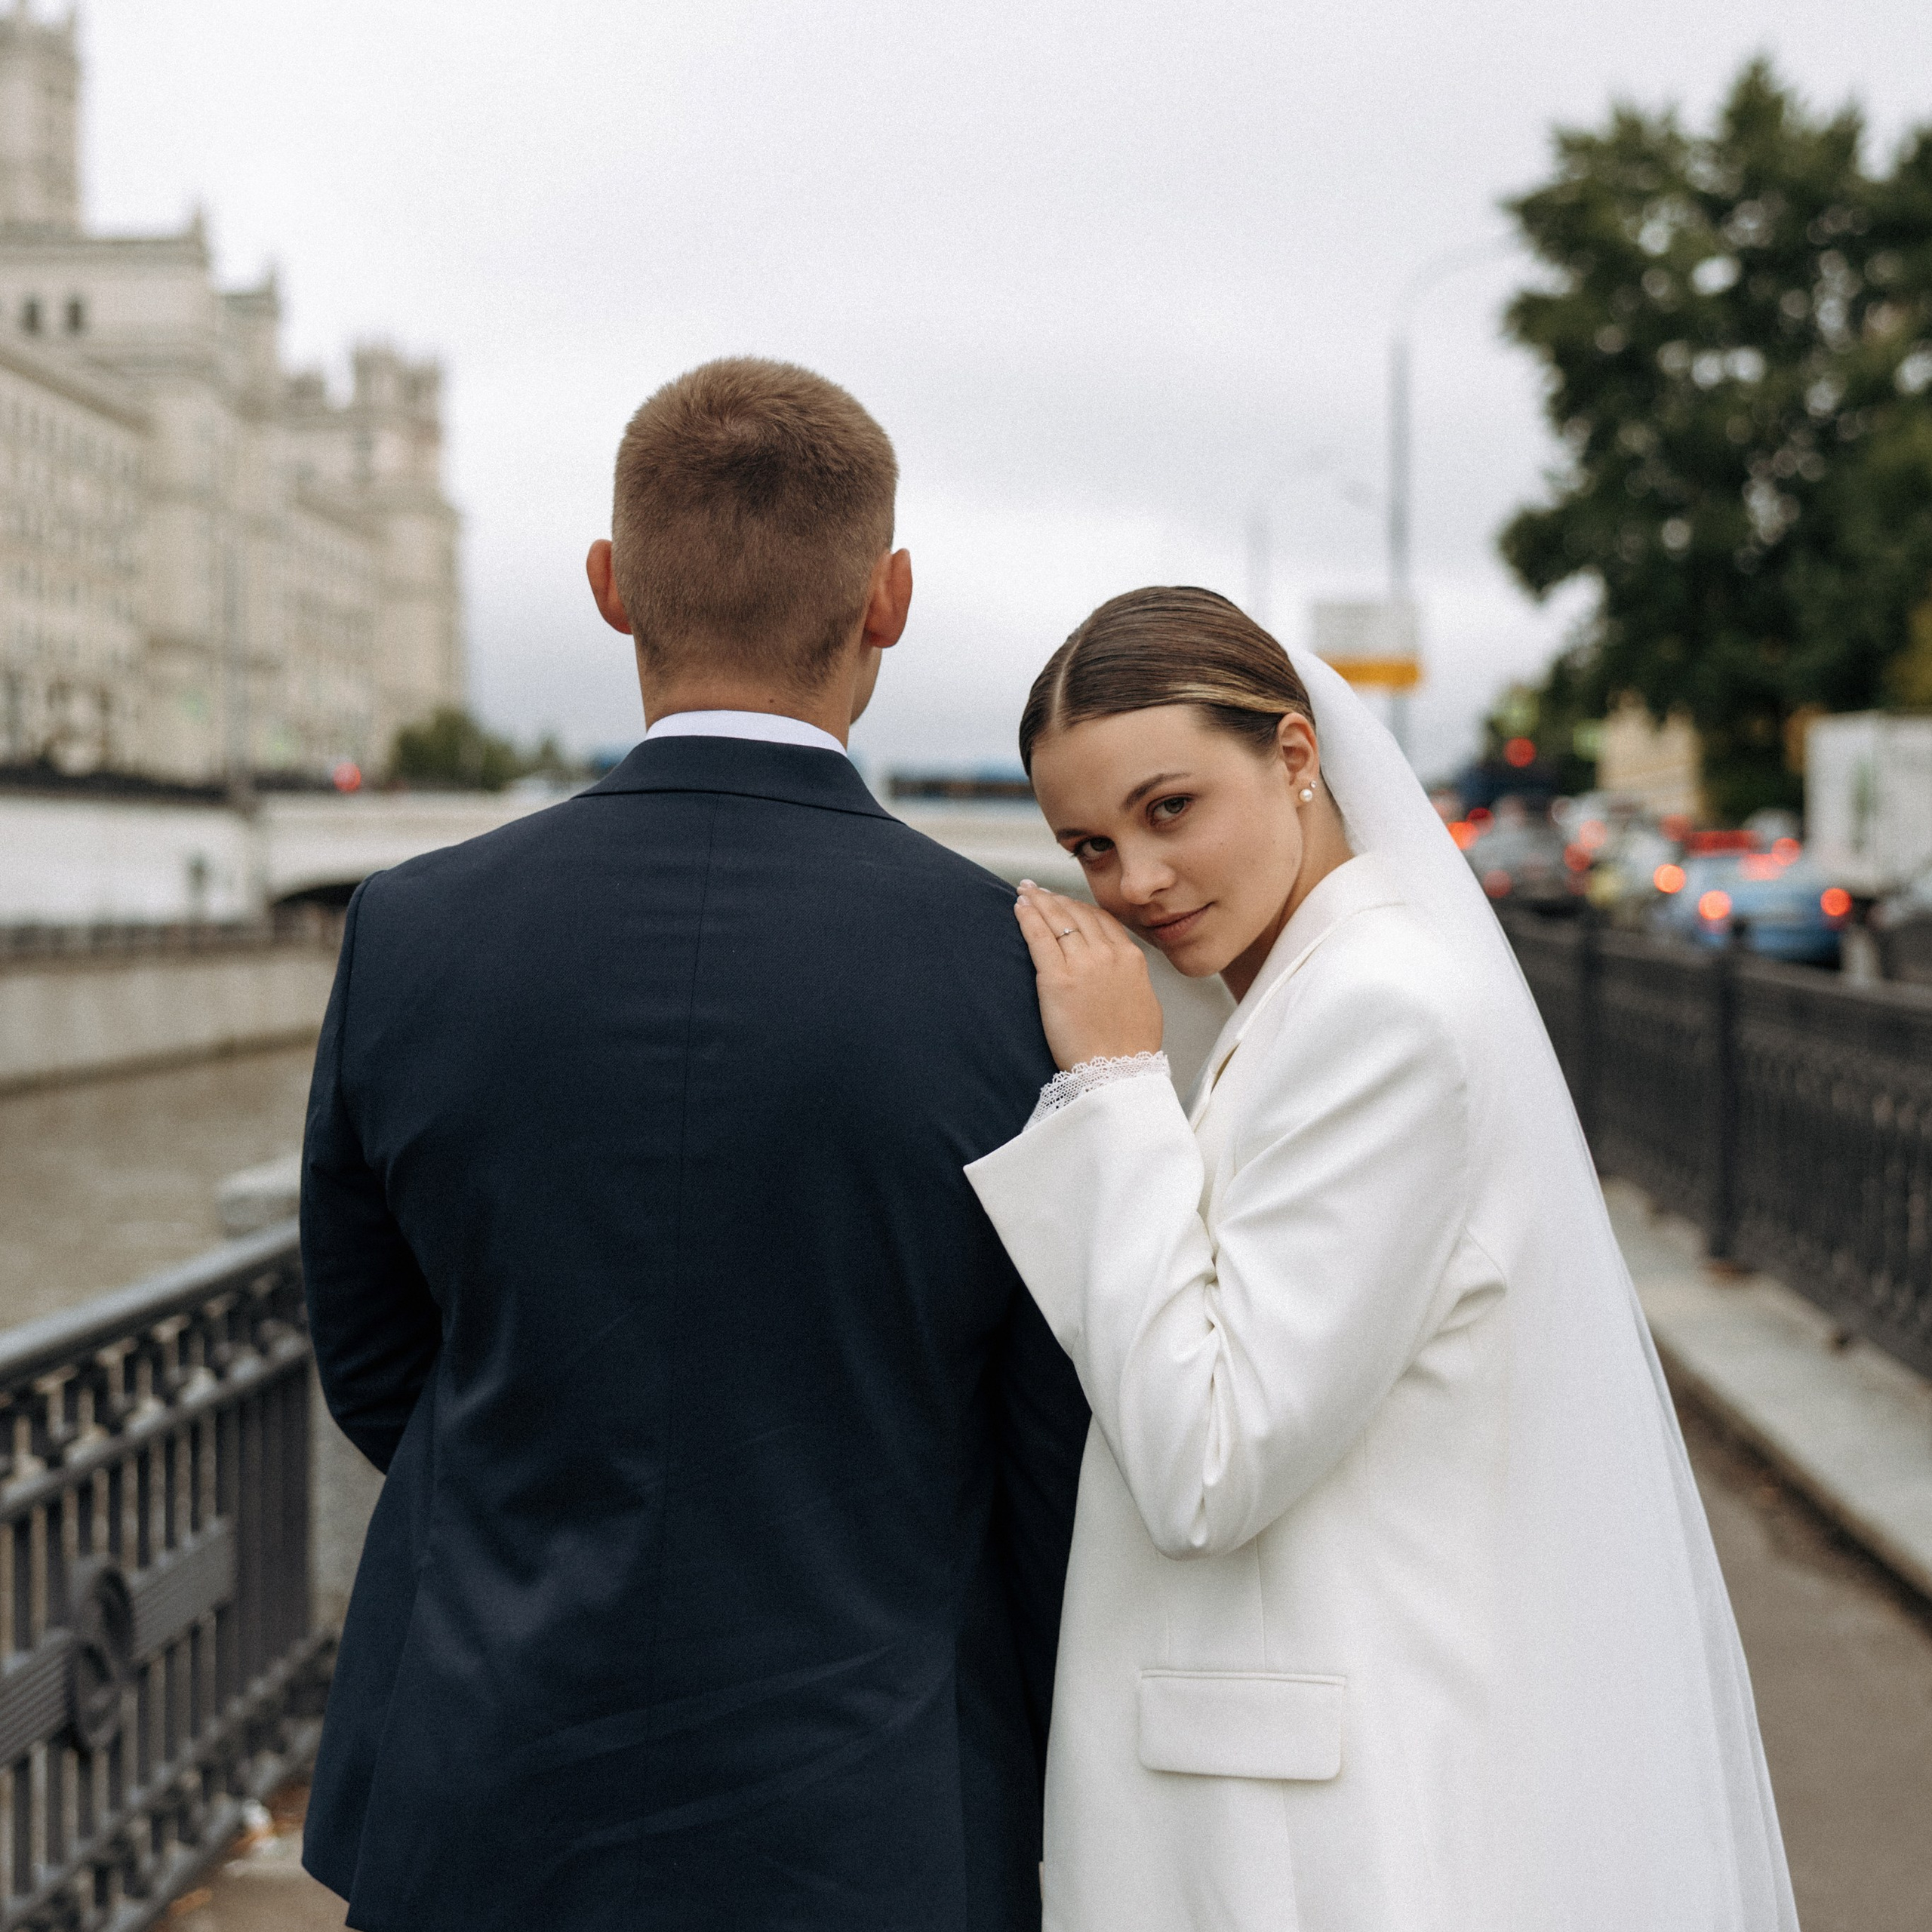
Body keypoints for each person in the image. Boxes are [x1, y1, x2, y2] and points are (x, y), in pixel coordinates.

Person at [299, 358, 1089, 1932]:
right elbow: (1046, 1425)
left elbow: (377, 1357)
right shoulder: (1016, 966)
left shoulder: (414, 928)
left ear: (607, 587)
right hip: (869, 1805)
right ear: (891, 598)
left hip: (486, 1779)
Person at [964, 587, 1797, 1931]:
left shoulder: (1379, 1013)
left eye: (1169, 809)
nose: (1135, 882)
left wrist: (1114, 1090)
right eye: (1089, 844)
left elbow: (1209, 1463)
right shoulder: (1309, 995)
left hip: (1317, 1846)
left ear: (1296, 757)